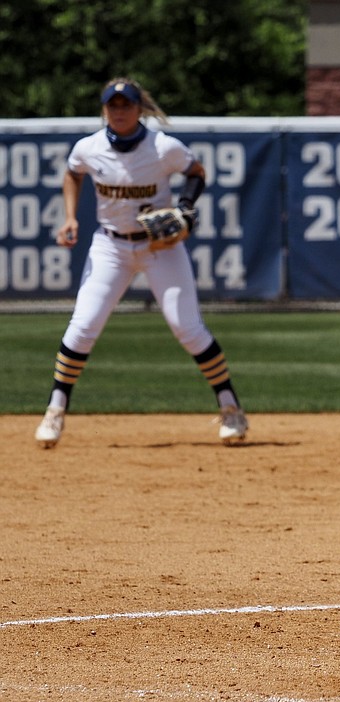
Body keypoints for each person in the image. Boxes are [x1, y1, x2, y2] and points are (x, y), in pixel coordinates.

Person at [34, 78, 249, 448]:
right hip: (110, 247)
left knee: (188, 328)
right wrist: (70, 217)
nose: (119, 111)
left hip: (159, 247)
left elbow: (196, 173)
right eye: (113, 105)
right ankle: (54, 412)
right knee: (83, 326)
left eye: (126, 105)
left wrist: (184, 207)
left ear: (139, 108)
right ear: (104, 109)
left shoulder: (163, 147)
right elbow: (73, 173)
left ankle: (231, 409)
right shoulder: (89, 147)